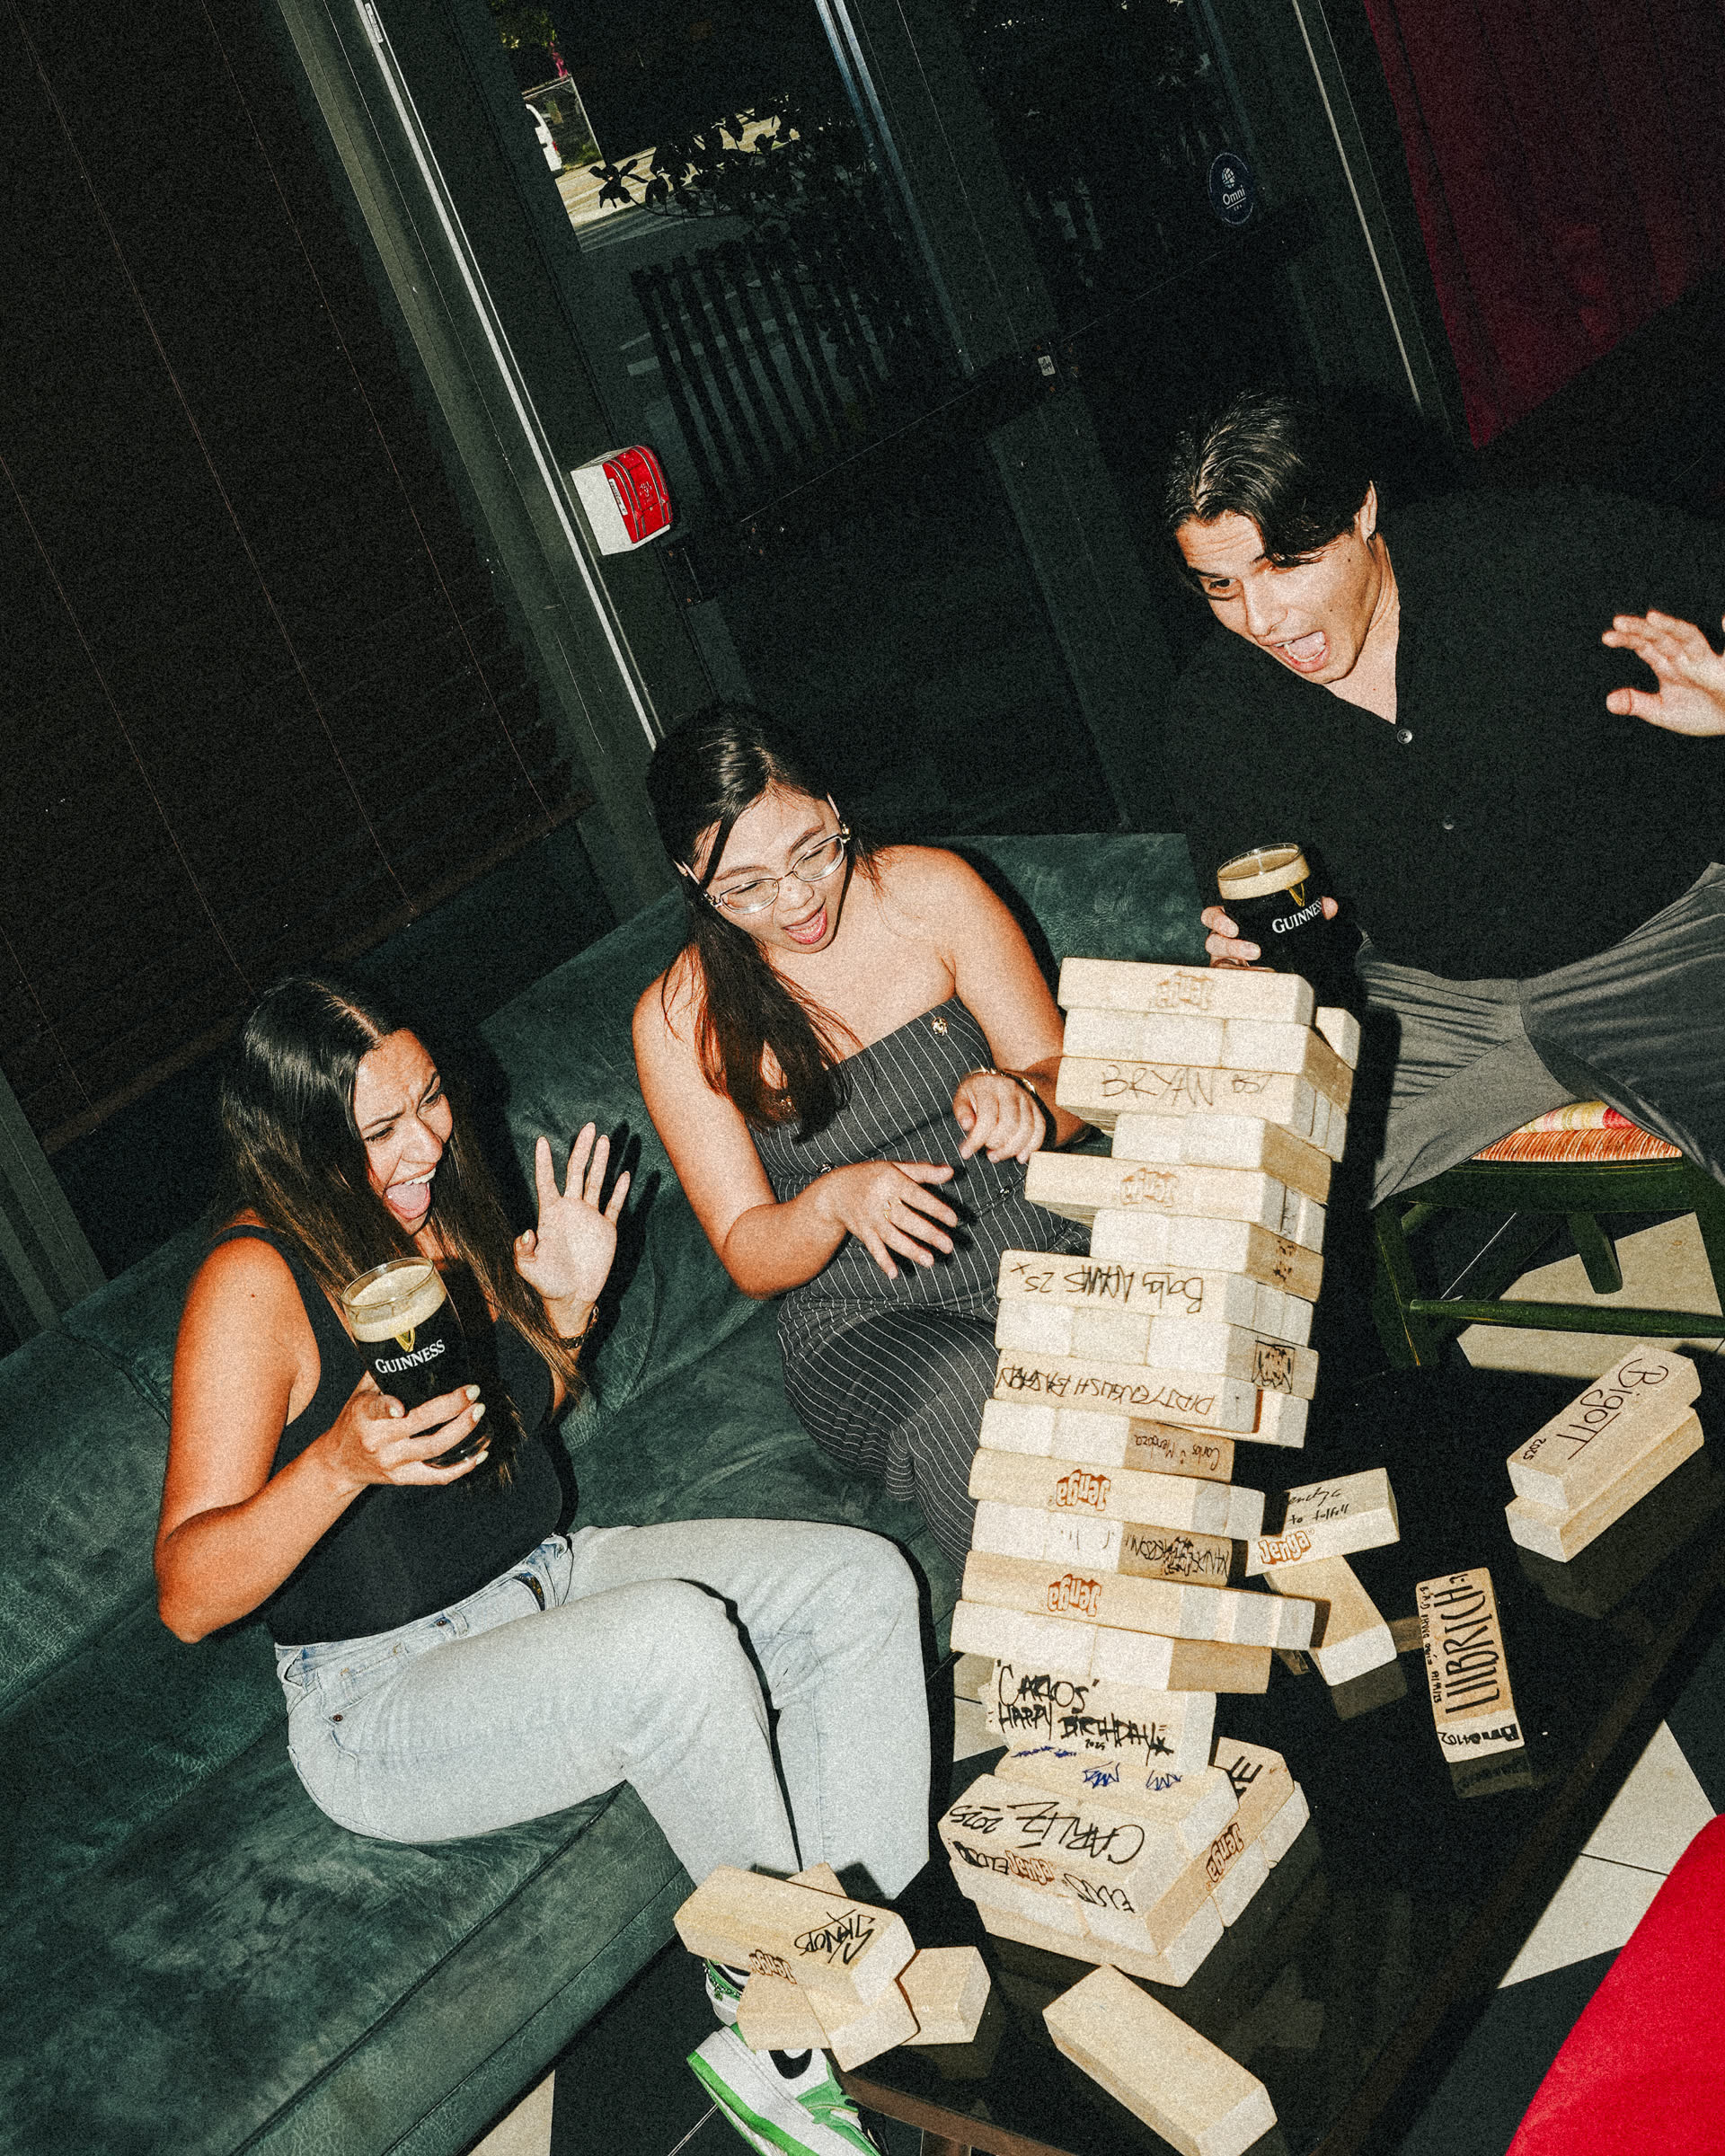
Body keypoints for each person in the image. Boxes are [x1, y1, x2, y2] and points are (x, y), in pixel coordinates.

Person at [155, 974, 930, 2156]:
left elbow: (509, 1424)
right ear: (299, 1147)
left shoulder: (433, 1208)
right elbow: (189, 1596)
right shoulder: (252, 1284)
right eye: (379, 1130)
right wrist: (338, 1465)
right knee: (677, 1644)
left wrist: (566, 1307)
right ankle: (780, 2031)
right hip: (381, 1695)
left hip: (548, 1577)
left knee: (861, 1586)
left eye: (429, 1100)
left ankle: (857, 1981)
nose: (424, 1140)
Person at [1159, 387, 1725, 1205]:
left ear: (1362, 511)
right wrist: (1259, 968)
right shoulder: (1216, 712)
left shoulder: (1546, 550)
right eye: (1220, 586)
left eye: (1287, 564)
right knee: (1218, 1195)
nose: (1262, 618)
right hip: (1420, 1003)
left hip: (1661, 949)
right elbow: (1275, 926)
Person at [632, 707, 1089, 1574]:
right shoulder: (677, 1018)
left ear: (837, 809)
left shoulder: (931, 891)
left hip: (1038, 1243)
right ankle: (1066, 1688)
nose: (797, 899)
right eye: (746, 887)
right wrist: (832, 1201)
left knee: (1158, 1346)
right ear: (693, 883)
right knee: (973, 1390)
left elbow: (1067, 1076)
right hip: (865, 1322)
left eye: (814, 850)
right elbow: (748, 1252)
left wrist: (1027, 1096)